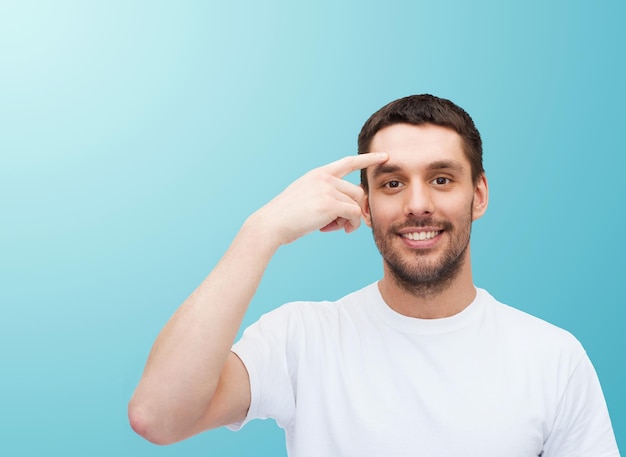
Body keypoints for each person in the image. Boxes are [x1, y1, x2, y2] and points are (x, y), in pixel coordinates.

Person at [128, 95, 620, 456]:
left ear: (480, 195)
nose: (418, 204)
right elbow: (158, 416)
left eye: (442, 179)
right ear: (365, 205)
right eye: (392, 183)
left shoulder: (553, 357)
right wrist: (262, 231)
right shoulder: (303, 339)